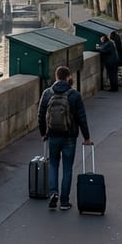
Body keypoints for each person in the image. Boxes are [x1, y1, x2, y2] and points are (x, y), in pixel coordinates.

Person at [38, 65, 93, 211]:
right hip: (69, 136)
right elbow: (82, 118)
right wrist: (86, 137)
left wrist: (43, 133)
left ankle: (53, 193)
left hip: (53, 135)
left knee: (53, 165)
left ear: (56, 77)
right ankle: (64, 201)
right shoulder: (74, 94)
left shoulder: (47, 93)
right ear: (68, 77)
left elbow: (41, 115)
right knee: (67, 168)